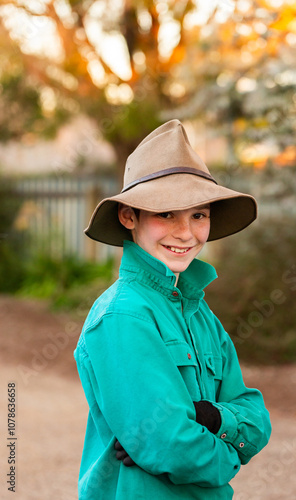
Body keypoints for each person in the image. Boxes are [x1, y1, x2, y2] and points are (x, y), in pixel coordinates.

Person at [74, 119, 271, 499]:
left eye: (198, 215)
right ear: (128, 216)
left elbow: (256, 416)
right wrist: (231, 454)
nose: (185, 232)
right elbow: (171, 446)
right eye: (166, 214)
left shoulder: (200, 313)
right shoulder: (122, 317)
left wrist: (212, 416)